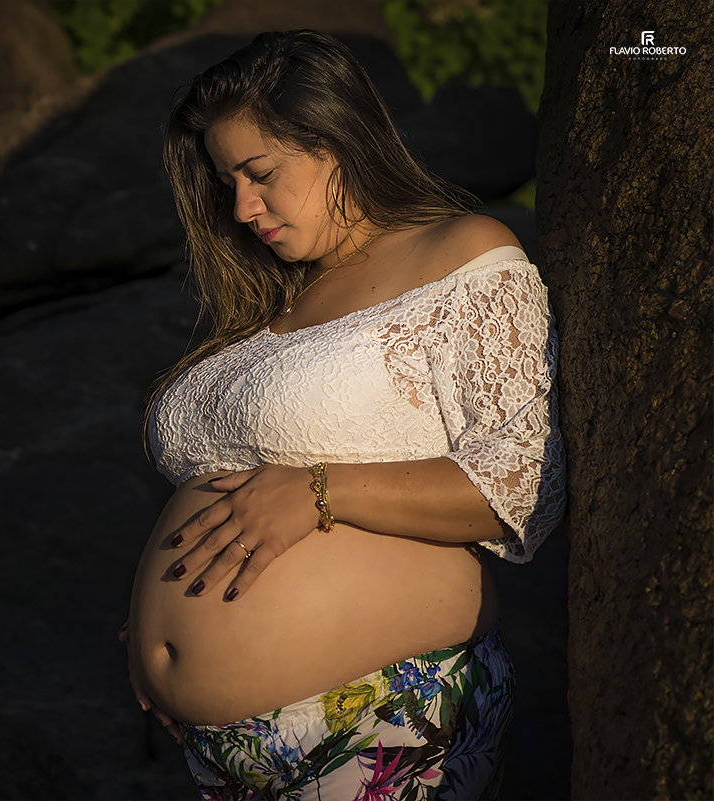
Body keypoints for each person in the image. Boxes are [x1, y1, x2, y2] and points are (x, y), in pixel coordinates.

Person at [119, 30, 565, 800]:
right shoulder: (272, 305)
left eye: (260, 174)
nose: (241, 207)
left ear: (337, 141)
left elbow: (526, 480)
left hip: (382, 714)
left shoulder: (461, 255)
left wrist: (317, 489)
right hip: (223, 746)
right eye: (227, 181)